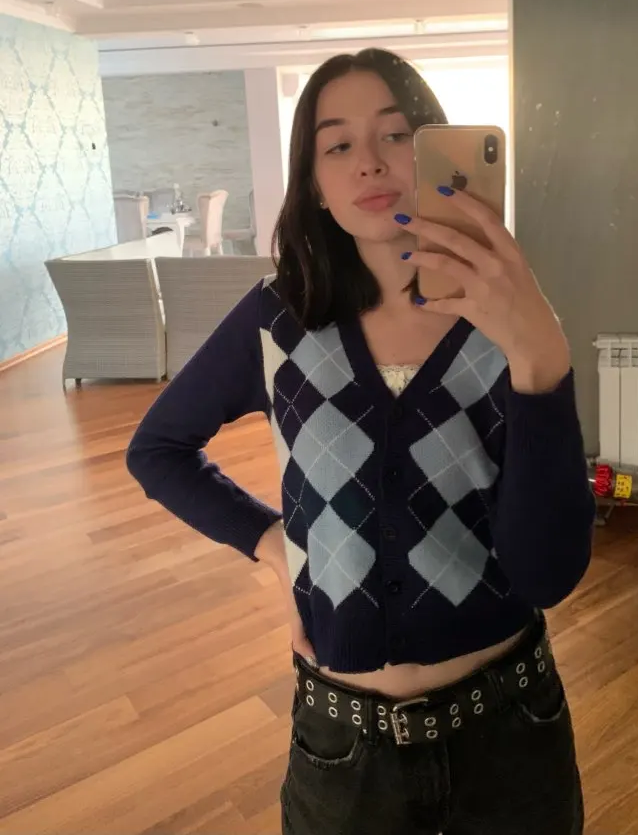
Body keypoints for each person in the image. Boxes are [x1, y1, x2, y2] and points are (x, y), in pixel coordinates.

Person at [126, 47, 595, 835]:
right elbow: (158, 449)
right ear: (313, 182)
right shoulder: (277, 320)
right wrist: (273, 545)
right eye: (337, 144)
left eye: (396, 133)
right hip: (342, 750)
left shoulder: (508, 320)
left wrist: (541, 362)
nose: (370, 162)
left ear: (436, 150)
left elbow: (547, 572)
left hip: (510, 730)